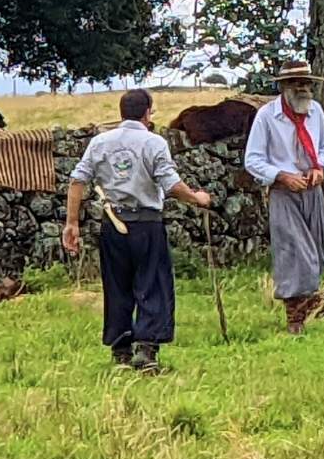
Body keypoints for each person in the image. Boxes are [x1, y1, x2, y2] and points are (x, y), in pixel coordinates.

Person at [63, 88, 213, 374]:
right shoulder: (153, 142)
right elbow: (171, 184)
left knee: (117, 286)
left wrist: (72, 223)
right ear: (147, 112)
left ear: (122, 112)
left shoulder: (99, 143)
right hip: (146, 224)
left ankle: (120, 350)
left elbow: (77, 181)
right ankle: (146, 350)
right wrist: (197, 198)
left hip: (112, 224)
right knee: (152, 284)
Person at [244, 60, 324, 334]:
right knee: (293, 252)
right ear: (284, 86)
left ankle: (310, 306)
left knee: (319, 249)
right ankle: (294, 317)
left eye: (307, 83)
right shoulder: (267, 116)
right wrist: (281, 176)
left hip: (313, 190)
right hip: (284, 193)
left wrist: (321, 168)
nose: (303, 88)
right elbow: (253, 159)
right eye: (297, 83)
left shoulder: (316, 112)